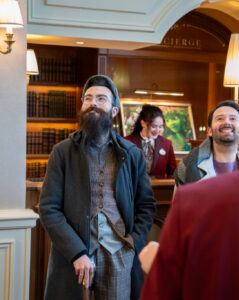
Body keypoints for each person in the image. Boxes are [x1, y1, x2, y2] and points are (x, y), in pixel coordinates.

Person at [140, 54, 239, 300]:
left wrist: (161, 270)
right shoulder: (191, 176)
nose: (227, 124)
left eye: (233, 118)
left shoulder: (195, 201)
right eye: (221, 119)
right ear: (211, 128)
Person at [39, 75, 156, 300]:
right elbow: (48, 208)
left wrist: (132, 244)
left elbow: (146, 206)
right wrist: (77, 252)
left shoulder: (132, 154)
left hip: (119, 254)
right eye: (88, 98)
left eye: (101, 99)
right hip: (74, 255)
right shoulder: (62, 152)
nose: (93, 103)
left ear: (114, 111)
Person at [174, 100, 239, 186]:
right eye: (220, 118)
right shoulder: (187, 166)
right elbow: (179, 199)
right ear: (209, 131)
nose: (226, 122)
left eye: (233, 119)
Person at [125, 104, 177, 179]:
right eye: (153, 126)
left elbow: (173, 173)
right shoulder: (127, 142)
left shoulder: (167, 144)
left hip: (158, 189)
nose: (157, 130)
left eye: (160, 126)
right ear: (143, 123)